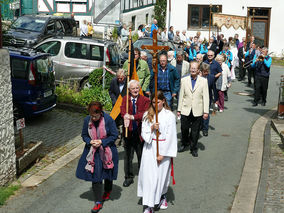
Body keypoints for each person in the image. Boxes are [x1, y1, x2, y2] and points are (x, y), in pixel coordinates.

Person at [138, 91, 177, 213]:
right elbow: (144, 133)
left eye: (158, 102)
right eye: (153, 102)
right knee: (149, 178)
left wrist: (163, 154)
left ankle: (161, 197)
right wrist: (151, 128)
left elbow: (171, 136)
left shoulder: (169, 115)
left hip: (163, 149)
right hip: (150, 148)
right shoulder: (147, 114)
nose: (155, 105)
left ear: (163, 101)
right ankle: (149, 205)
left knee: (161, 178)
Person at [76, 101, 118, 213]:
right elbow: (84, 135)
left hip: (107, 151)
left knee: (108, 172)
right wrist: (90, 141)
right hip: (94, 152)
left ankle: (108, 190)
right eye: (91, 116)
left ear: (101, 113)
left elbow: (114, 135)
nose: (93, 118)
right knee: (96, 176)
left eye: (95, 116)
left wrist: (102, 142)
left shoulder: (108, 120)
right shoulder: (87, 120)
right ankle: (98, 202)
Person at [120, 80, 150, 187]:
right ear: (129, 90)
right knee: (128, 156)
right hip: (128, 132)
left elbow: (145, 114)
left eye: (137, 88)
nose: (135, 90)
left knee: (142, 155)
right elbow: (122, 110)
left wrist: (133, 117)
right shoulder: (125, 99)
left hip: (140, 133)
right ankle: (128, 177)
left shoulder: (145, 100)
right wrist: (125, 116)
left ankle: (144, 176)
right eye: (133, 88)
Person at [177, 61, 209, 156]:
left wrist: (206, 111)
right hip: (185, 109)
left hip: (197, 109)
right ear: (189, 69)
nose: (193, 70)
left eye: (195, 68)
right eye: (192, 68)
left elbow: (206, 97)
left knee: (195, 131)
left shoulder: (203, 81)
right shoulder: (184, 80)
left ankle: (194, 148)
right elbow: (181, 95)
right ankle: (184, 143)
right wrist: (179, 110)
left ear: (198, 70)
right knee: (184, 128)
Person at [200, 63, 218, 136]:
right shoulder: (198, 77)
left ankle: (205, 129)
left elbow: (214, 88)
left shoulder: (211, 77)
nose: (206, 73)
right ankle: (200, 126)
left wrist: (215, 99)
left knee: (206, 113)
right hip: (199, 98)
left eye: (207, 71)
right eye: (204, 71)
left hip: (208, 97)